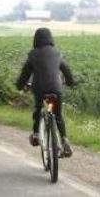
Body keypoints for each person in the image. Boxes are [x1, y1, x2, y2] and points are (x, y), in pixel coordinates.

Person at [15, 27, 76, 157]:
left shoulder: (33, 54)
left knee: (38, 109)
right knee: (58, 115)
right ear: (50, 39)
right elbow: (67, 71)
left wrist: (20, 86)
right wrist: (70, 82)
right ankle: (64, 140)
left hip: (40, 89)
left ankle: (36, 134)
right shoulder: (57, 53)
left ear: (36, 39)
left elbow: (25, 74)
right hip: (56, 89)